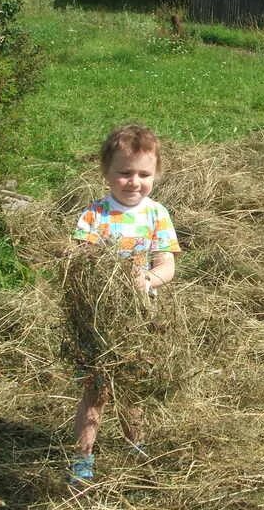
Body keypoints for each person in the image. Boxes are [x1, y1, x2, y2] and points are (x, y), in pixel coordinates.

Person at [68, 124, 180, 486]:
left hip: (141, 316)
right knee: (96, 389)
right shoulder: (94, 215)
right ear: (106, 173)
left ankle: (136, 445)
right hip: (100, 319)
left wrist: (147, 279)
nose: (134, 182)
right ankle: (83, 455)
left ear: (156, 175)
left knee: (135, 385)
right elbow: (81, 260)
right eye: (124, 173)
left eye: (144, 174)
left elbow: (167, 265)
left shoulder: (156, 214)